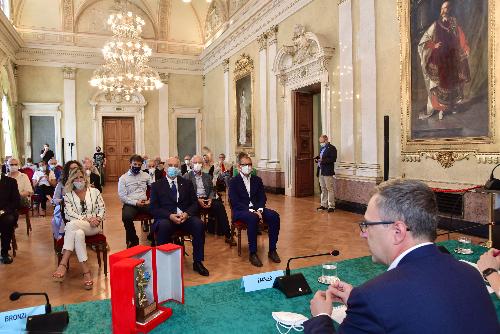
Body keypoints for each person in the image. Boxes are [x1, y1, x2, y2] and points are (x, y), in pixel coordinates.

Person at [304, 179, 499, 334]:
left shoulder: (373, 297)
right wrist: (362, 301)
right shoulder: (470, 273)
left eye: (367, 225)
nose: (362, 234)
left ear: (398, 231)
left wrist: (320, 317)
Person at [150, 157, 209, 276]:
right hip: (167, 218)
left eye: (176, 166)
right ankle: (164, 264)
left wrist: (187, 214)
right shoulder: (157, 185)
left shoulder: (186, 183)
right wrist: (169, 215)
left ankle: (197, 262)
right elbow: (154, 208)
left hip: (185, 217)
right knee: (163, 226)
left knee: (199, 224)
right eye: (170, 165)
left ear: (179, 168)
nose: (173, 168)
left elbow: (194, 203)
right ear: (165, 168)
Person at [51, 167, 105, 290]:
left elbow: (102, 209)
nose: (79, 180)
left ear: (85, 179)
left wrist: (96, 219)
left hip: (94, 227)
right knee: (78, 233)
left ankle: (63, 263)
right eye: (76, 178)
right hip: (81, 225)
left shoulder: (95, 191)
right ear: (71, 180)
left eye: (81, 177)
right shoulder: (68, 196)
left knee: (71, 225)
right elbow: (69, 214)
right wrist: (88, 218)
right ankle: (86, 271)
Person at [418, 1, 470, 121]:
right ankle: (441, 109)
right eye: (442, 8)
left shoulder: (454, 22)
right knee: (441, 84)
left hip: (452, 58)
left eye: (446, 8)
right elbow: (424, 40)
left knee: (453, 83)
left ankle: (451, 106)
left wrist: (465, 47)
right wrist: (433, 45)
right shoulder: (436, 24)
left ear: (449, 9)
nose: (444, 10)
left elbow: (461, 36)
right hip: (440, 59)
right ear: (440, 10)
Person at [229, 155, 281, 267]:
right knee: (253, 217)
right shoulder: (233, 182)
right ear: (239, 166)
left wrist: (260, 209)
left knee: (274, 216)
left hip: (258, 209)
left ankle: (272, 250)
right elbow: (235, 202)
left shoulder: (257, 180)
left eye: (250, 164)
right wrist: (252, 211)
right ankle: (253, 253)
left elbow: (262, 198)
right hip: (241, 211)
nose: (248, 167)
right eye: (245, 164)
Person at [184, 155, 235, 245]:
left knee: (219, 205)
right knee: (193, 208)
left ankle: (228, 234)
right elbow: (186, 194)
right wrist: (197, 200)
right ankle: (197, 233)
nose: (197, 165)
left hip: (207, 198)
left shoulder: (207, 176)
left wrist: (211, 198)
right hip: (194, 200)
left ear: (202, 165)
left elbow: (212, 190)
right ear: (191, 164)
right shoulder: (186, 177)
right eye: (195, 163)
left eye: (199, 163)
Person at [118, 155, 151, 248]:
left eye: (139, 164)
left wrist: (151, 200)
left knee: (159, 212)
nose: (136, 166)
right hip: (131, 203)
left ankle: (152, 235)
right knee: (126, 217)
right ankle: (133, 240)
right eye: (134, 164)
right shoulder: (123, 178)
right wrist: (135, 203)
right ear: (130, 164)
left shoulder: (146, 175)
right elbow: (122, 197)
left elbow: (155, 188)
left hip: (145, 203)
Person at [51, 160, 82, 241]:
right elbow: (54, 199)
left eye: (75, 168)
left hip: (80, 207)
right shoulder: (61, 183)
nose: (73, 171)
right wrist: (63, 200)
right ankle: (61, 236)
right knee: (64, 212)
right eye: (70, 169)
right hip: (64, 206)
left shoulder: (82, 182)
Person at [0, 173, 20, 264]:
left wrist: (3, 211)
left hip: (6, 212)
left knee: (8, 220)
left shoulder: (11, 182)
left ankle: (4, 252)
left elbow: (16, 202)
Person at [315, 135, 337, 213]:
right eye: (320, 142)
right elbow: (321, 158)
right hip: (321, 170)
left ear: (326, 140)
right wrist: (317, 159)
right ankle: (324, 204)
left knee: (329, 188)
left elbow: (333, 159)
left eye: (322, 142)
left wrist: (322, 160)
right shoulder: (322, 149)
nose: (321, 143)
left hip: (327, 171)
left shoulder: (332, 148)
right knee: (323, 188)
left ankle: (331, 205)